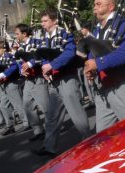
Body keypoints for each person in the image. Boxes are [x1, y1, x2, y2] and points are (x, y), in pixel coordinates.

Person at [32, 10, 91, 156]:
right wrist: (45, 69)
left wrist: (52, 65)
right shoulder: (45, 38)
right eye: (42, 21)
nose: (43, 24)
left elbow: (69, 53)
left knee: (76, 112)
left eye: (45, 21)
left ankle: (89, 141)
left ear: (54, 21)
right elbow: (44, 56)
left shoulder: (65, 34)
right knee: (52, 116)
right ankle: (49, 146)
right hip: (55, 80)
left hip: (67, 78)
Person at [84, 0, 125, 132]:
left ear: (111, 7)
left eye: (98, 4)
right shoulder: (97, 29)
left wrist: (98, 63)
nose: (94, 7)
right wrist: (90, 66)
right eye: (94, 4)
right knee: (103, 135)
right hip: (104, 87)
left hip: (123, 86)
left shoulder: (123, 24)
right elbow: (95, 51)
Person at [14, 23, 46, 141]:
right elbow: (19, 63)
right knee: (27, 105)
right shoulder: (21, 47)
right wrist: (22, 71)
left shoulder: (37, 42)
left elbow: (40, 57)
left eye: (17, 34)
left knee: (44, 105)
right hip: (28, 79)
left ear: (24, 33)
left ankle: (53, 127)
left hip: (38, 76)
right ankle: (38, 130)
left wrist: (30, 63)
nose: (16, 36)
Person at [0, 41, 30, 135]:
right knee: (3, 105)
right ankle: (10, 125)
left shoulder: (9, 56)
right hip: (5, 83)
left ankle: (27, 122)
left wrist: (3, 74)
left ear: (4, 48)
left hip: (12, 82)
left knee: (18, 104)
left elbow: (13, 67)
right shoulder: (1, 58)